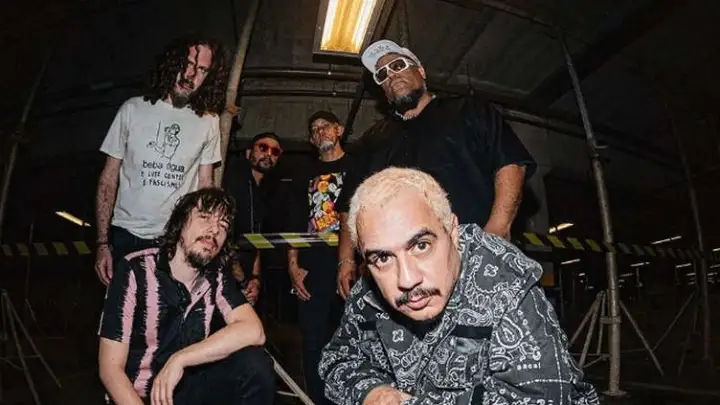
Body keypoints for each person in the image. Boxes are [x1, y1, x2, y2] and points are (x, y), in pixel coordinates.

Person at [319, 167, 599, 405]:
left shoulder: (506, 284)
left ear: (453, 232)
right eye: (382, 258)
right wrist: (372, 393)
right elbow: (337, 360)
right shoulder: (367, 292)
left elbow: (542, 398)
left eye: (421, 245)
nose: (406, 280)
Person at [334, 39, 537, 300]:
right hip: (399, 272)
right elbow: (351, 202)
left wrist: (497, 230)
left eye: (398, 65)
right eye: (382, 74)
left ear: (420, 71)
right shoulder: (373, 140)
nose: (391, 75)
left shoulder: (469, 111)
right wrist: (346, 260)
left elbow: (510, 162)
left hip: (473, 257)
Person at [98, 187, 275, 405]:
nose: (215, 230)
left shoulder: (216, 277)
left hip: (189, 392)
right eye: (205, 217)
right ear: (180, 222)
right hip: (138, 397)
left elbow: (254, 331)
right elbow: (110, 369)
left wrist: (180, 359)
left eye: (223, 225)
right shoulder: (135, 269)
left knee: (254, 364)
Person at [94, 34, 230, 285]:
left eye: (202, 70)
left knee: (169, 309)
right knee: (124, 308)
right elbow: (108, 179)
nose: (191, 75)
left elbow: (205, 185)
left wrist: (206, 236)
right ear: (172, 62)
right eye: (188, 64)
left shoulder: (208, 122)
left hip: (176, 240)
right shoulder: (132, 109)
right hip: (127, 235)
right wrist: (102, 243)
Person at [286, 111, 354, 405]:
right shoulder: (304, 172)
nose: (320, 132)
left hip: (350, 266)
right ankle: (317, 400)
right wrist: (293, 266)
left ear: (339, 130)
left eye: (325, 126)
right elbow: (295, 221)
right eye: (314, 129)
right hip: (312, 267)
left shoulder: (357, 166)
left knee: (352, 339)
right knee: (313, 341)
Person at [222, 132, 283, 304]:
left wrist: (255, 279)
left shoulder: (265, 192)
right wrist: (241, 279)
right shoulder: (232, 180)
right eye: (263, 148)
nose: (268, 154)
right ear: (249, 153)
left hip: (245, 279)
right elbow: (224, 237)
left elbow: (258, 239)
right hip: (224, 275)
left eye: (275, 152)